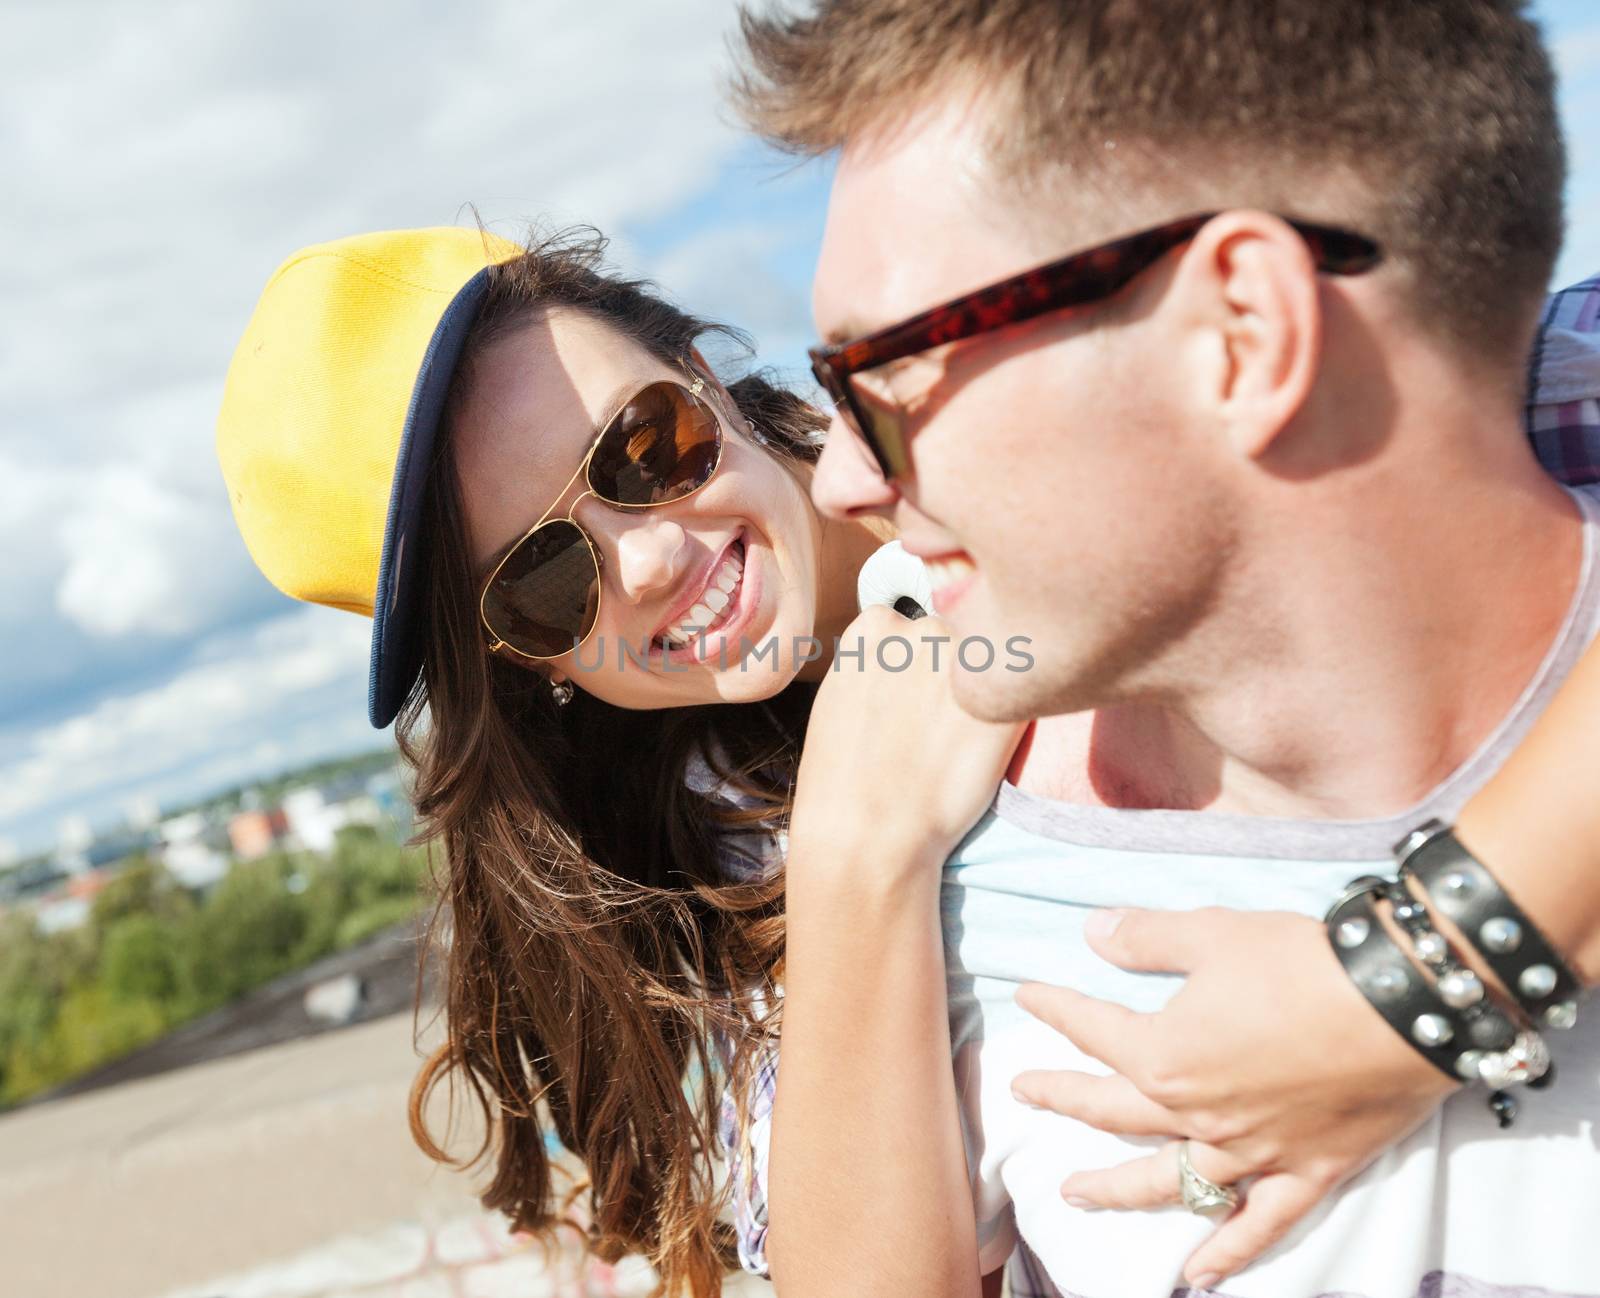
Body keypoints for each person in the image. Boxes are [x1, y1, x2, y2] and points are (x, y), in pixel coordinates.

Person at [729, 2, 1600, 1295]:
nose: (845, 479)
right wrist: (850, 866)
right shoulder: (965, 886)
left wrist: (1416, 983)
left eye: (885, 382)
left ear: (1242, 330)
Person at [214, 223, 968, 1298]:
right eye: (544, 579)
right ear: (520, 658)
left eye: (642, 447)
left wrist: (1310, 1000)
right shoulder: (701, 852)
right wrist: (861, 855)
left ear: (701, 374)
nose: (652, 557)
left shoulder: (1000, 474)